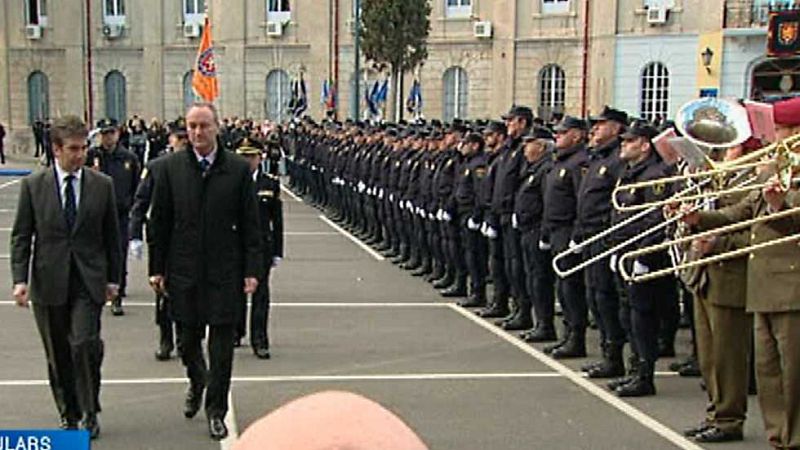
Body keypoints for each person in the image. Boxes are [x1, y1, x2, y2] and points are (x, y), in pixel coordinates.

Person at [681, 96, 800, 448]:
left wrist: (780, 205)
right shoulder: (775, 167)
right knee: (768, 372)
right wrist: (699, 219)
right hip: (762, 285)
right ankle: (778, 436)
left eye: (780, 129)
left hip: (791, 284)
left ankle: (793, 437)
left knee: (792, 373)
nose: (774, 137)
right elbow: (743, 211)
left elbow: (789, 221)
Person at [148, 103, 263, 440]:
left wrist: (252, 270)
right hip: (182, 272)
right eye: (192, 126)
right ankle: (198, 381)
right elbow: (160, 222)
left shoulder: (238, 170)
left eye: (204, 126)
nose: (197, 133)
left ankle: (216, 410)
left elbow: (250, 224)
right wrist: (157, 268)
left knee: (222, 348)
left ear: (217, 128)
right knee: (186, 342)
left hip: (224, 271)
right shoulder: (170, 168)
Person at [10, 115, 121, 439]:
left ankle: (89, 410)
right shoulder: (34, 186)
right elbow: (21, 236)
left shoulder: (101, 186)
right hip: (49, 281)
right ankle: (68, 412)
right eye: (73, 148)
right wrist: (20, 279)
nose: (80, 154)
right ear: (56, 149)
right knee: (58, 353)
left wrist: (114, 280)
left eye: (84, 147)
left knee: (84, 344)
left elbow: (112, 238)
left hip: (89, 281)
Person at [129, 118, 188, 361]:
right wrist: (135, 235)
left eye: (186, 138)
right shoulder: (157, 166)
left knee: (188, 291)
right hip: (162, 238)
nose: (183, 143)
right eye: (179, 138)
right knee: (162, 289)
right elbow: (141, 202)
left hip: (189, 238)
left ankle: (186, 338)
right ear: (171, 140)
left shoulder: (200, 166)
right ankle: (166, 338)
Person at [235, 135, 284, 359]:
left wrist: (277, 251)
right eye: (243, 157)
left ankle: (260, 340)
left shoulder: (269, 183)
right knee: (234, 294)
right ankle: (235, 332)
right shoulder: (230, 181)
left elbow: (277, 220)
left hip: (261, 246)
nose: (247, 161)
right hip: (235, 245)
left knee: (261, 295)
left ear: (259, 158)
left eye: (251, 157)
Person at [87, 118, 140, 316]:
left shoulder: (128, 158)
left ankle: (117, 294)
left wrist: (134, 210)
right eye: (105, 134)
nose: (108, 137)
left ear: (117, 134)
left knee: (118, 253)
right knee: (95, 253)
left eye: (111, 133)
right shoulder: (92, 156)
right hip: (96, 214)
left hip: (120, 214)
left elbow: (136, 187)